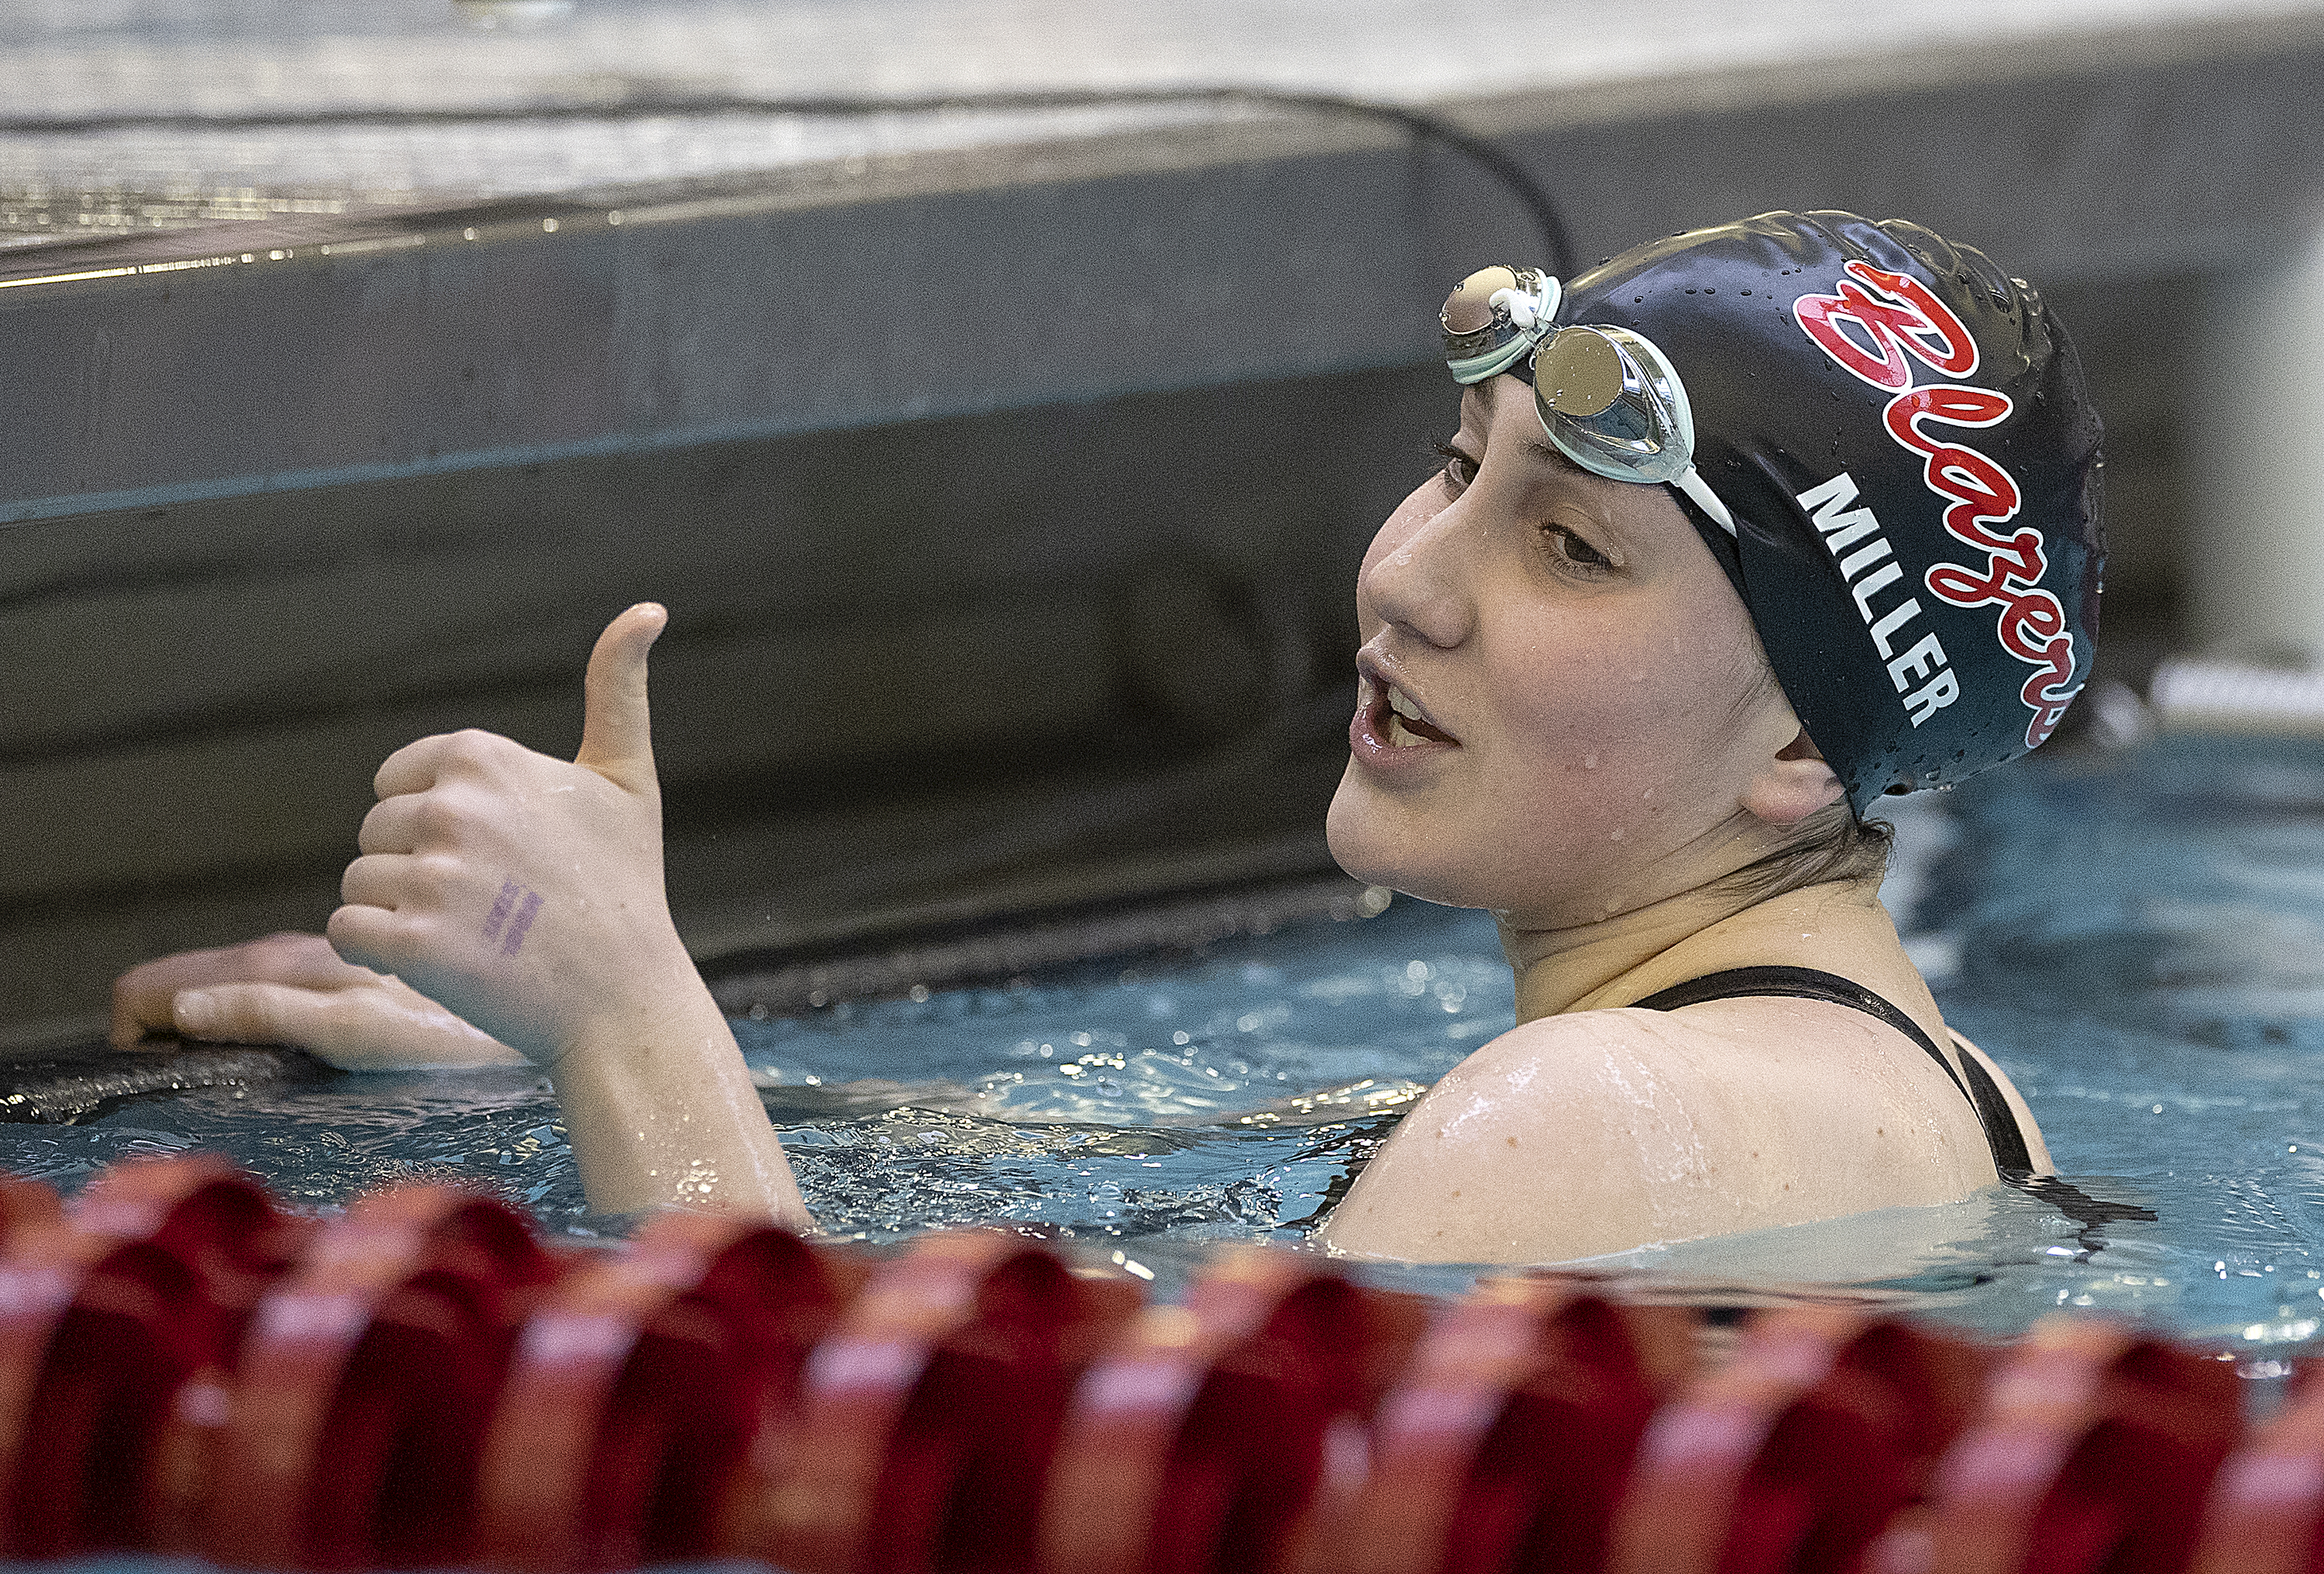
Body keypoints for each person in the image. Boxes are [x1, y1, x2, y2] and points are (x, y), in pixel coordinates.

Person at [111, 210, 2102, 1261]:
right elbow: (1137, 1195)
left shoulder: (1580, 1119)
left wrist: (638, 1023)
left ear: (1800, 751)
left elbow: (839, 1495)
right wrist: (560, 1036)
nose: (1410, 577)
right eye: (1452, 465)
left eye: (1572, 543)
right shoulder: (1928, 1090)